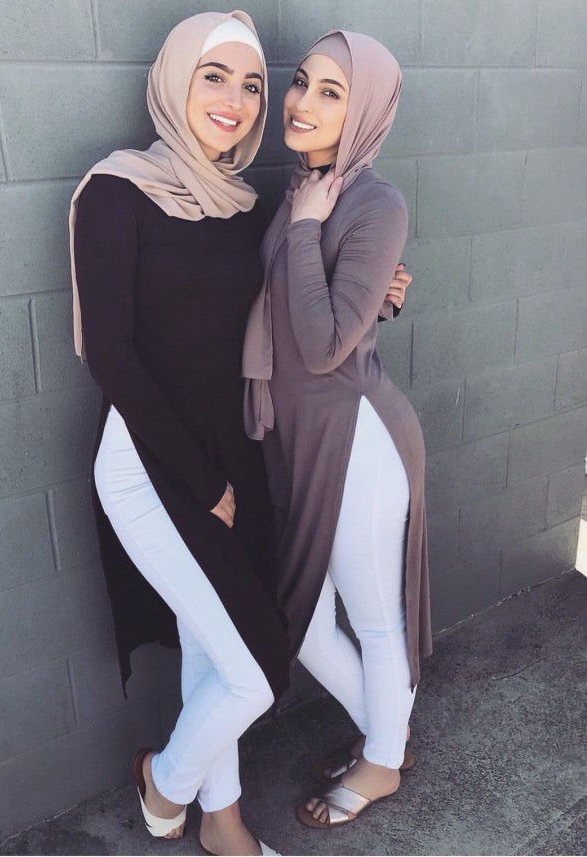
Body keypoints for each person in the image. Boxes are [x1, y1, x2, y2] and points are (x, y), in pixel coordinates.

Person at [70, 12, 411, 855]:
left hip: (234, 455)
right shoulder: (116, 191)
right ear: (175, 79)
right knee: (256, 669)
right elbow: (109, 354)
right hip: (153, 464)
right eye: (214, 75)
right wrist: (204, 482)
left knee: (214, 645)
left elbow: (293, 311)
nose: (237, 98)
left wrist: (378, 294)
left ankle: (217, 816)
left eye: (252, 82)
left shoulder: (248, 204)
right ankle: (166, 780)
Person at [243, 31, 432, 830]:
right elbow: (304, 311)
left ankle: (383, 760)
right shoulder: (307, 187)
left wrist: (303, 227)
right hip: (304, 439)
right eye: (302, 82)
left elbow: (322, 347)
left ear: (367, 111)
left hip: (357, 440)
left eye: (332, 92)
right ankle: (387, 736)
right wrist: (369, 295)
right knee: (309, 621)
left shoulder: (371, 201)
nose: (302, 102)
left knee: (374, 615)